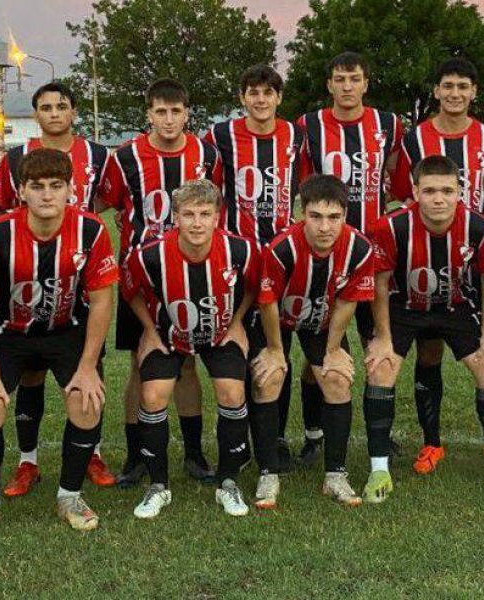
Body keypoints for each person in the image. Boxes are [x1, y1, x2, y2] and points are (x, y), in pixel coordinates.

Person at [0, 148, 117, 540]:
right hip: (8, 332)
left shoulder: (91, 229)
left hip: (65, 329)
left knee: (86, 399)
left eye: (56, 186)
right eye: (37, 187)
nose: (47, 195)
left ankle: (70, 496)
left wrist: (86, 367)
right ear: (21, 191)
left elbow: (101, 302)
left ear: (71, 189)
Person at [365, 155, 484, 499]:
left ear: (460, 193)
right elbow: (378, 283)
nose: (439, 199)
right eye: (431, 190)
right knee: (381, 367)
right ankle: (378, 471)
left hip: (455, 305)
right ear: (416, 192)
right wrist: (382, 337)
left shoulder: (480, 227)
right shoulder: (390, 226)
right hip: (402, 306)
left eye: (447, 191)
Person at [389, 57, 484, 475]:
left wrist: (473, 235)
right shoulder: (415, 139)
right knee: (428, 346)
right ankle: (431, 442)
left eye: (463, 85)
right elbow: (403, 195)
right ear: (438, 91)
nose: (455, 93)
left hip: (472, 258)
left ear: (473, 92)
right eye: (448, 85)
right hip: (423, 257)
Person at [0, 81, 115, 494]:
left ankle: (91, 453)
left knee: (86, 378)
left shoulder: (97, 155)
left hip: (75, 277)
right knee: (29, 375)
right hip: (24, 280)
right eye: (46, 107)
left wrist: (74, 231)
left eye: (62, 106)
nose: (54, 113)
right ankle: (28, 462)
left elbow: (108, 199)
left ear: (74, 111)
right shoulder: (14, 158)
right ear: (36, 114)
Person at [100, 78, 222, 488]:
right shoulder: (126, 157)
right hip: (142, 277)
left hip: (192, 275)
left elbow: (211, 206)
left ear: (187, 113)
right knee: (139, 365)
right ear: (148, 113)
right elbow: (108, 202)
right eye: (160, 111)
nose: (168, 119)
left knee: (186, 364)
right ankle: (137, 457)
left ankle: (194, 454)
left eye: (176, 111)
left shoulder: (206, 153)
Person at [121, 179, 259, 519]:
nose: (197, 223)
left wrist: (238, 321)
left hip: (219, 333)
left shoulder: (241, 250)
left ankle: (227, 482)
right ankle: (158, 486)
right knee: (152, 395)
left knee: (231, 392)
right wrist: (150, 331)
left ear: (217, 217)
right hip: (169, 335)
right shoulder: (149, 254)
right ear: (175, 218)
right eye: (188, 214)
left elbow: (256, 286)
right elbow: (131, 292)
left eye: (205, 214)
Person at [297, 51, 402, 465]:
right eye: (339, 79)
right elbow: (305, 184)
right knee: (321, 349)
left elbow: (395, 174)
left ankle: (383, 432)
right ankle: (314, 432)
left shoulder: (388, 125)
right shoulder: (309, 126)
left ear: (365, 83)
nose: (346, 86)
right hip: (326, 252)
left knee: (377, 343)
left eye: (353, 79)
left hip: (373, 254)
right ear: (329, 84)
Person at [252, 175, 374, 507]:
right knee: (269, 377)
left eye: (333, 217)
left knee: (337, 379)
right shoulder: (281, 248)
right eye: (315, 216)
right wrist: (276, 350)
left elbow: (348, 301)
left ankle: (335, 475)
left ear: (345, 215)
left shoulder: (360, 248)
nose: (324, 226)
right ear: (301, 213)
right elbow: (267, 301)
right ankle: (268, 474)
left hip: (321, 321)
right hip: (277, 318)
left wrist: (333, 350)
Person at [206, 64, 304, 473]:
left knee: (278, 348)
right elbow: (209, 191)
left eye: (268, 92)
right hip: (236, 257)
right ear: (242, 97)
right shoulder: (220, 135)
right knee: (237, 349)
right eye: (253, 92)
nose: (260, 99)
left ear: (279, 97)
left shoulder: (296, 134)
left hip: (282, 257)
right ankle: (237, 436)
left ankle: (274, 436)